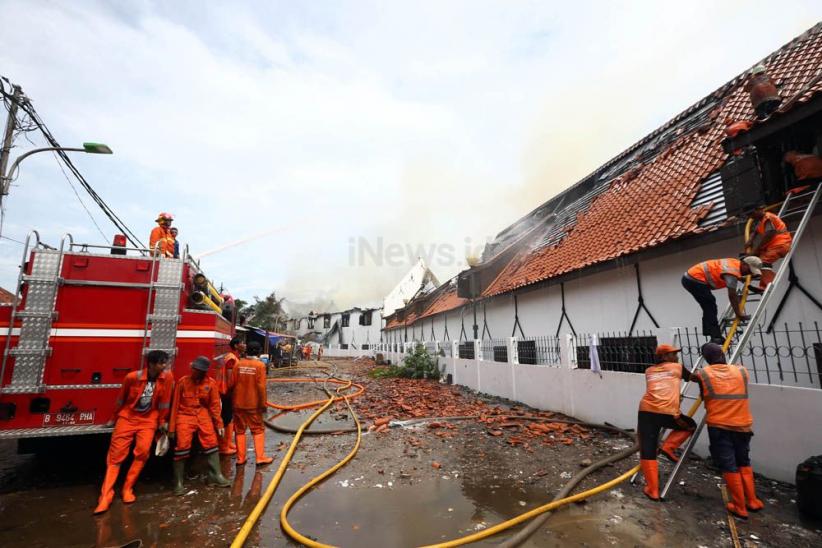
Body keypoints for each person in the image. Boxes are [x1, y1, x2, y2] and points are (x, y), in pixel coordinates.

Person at [94, 350, 174, 514]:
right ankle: (105, 496)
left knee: (143, 453)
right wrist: (113, 418)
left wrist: (162, 422)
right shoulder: (132, 377)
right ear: (151, 364)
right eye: (161, 363)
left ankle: (127, 489)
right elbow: (121, 399)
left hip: (149, 419)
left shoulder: (167, 378)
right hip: (128, 417)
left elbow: (164, 402)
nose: (164, 366)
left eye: (165, 363)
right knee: (115, 456)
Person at [694, 342, 764, 519]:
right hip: (743, 425)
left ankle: (739, 506)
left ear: (706, 358)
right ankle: (752, 501)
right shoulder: (742, 371)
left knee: (729, 465)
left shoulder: (703, 374)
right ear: (722, 354)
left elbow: (703, 396)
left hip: (719, 426)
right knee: (744, 462)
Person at [637, 344, 697, 501]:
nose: (676, 357)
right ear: (664, 356)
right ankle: (668, 447)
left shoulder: (649, 371)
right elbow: (694, 378)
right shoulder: (677, 367)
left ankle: (652, 490)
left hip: (646, 411)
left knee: (648, 449)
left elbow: (662, 384)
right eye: (673, 354)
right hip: (667, 413)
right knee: (691, 425)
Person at [169, 356, 232, 495]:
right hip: (184, 414)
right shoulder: (182, 382)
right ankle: (178, 482)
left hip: (202, 414)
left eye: (200, 371)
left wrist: (219, 424)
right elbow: (175, 406)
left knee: (211, 442)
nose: (197, 372)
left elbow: (215, 406)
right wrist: (171, 428)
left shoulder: (211, 383)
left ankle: (215, 475)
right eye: (196, 369)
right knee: (182, 445)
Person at [681, 256, 762, 341]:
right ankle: (715, 336)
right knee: (710, 305)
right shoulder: (731, 272)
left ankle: (711, 333)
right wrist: (738, 313)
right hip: (694, 278)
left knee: (709, 304)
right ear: (744, 264)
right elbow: (732, 295)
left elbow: (734, 274)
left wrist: (745, 278)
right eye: (749, 270)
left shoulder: (735, 264)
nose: (749, 273)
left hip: (691, 277)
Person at [232, 342, 274, 466]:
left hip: (238, 403)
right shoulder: (260, 366)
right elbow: (261, 387)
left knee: (239, 430)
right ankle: (260, 457)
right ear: (259, 352)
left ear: (247, 351)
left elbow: (232, 383)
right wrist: (263, 404)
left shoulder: (238, 364)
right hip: (253, 405)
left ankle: (240, 458)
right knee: (258, 429)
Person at [744, 206, 792, 290]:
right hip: (774, 244)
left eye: (752, 213)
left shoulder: (767, 217)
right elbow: (755, 231)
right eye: (749, 215)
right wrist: (750, 240)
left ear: (759, 209)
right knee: (756, 260)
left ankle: (768, 284)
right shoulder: (761, 221)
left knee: (763, 262)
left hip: (781, 243)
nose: (751, 216)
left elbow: (769, 234)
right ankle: (762, 284)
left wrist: (756, 250)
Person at [216, 337, 243, 456]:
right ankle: (223, 446)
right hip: (227, 392)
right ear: (236, 345)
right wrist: (235, 390)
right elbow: (230, 378)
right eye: (242, 343)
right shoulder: (231, 359)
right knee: (226, 418)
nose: (244, 345)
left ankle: (228, 442)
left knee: (230, 417)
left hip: (228, 392)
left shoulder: (232, 356)